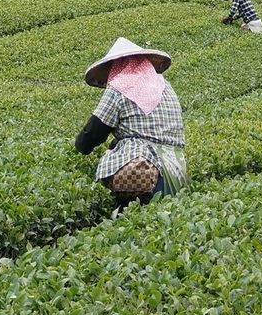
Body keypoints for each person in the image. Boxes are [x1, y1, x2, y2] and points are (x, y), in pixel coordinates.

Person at [74, 37, 187, 207]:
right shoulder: (165, 86)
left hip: (143, 171)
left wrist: (80, 146)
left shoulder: (120, 87)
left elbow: (92, 134)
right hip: (176, 169)